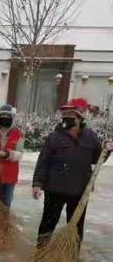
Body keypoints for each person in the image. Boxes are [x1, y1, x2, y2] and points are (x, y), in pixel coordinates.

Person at [32, 98, 113, 250]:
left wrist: (106, 150)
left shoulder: (90, 137)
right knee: (48, 222)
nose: (66, 117)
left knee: (76, 225)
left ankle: (72, 255)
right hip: (55, 188)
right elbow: (43, 161)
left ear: (79, 118)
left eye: (71, 114)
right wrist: (37, 183)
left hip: (80, 189)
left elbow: (97, 158)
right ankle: (41, 252)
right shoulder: (54, 137)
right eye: (65, 114)